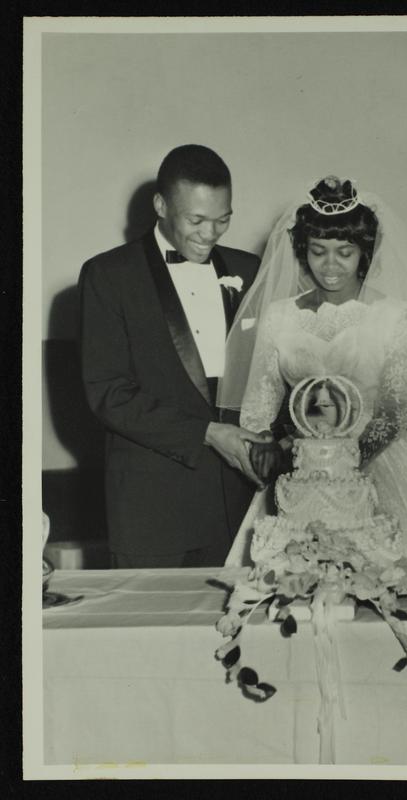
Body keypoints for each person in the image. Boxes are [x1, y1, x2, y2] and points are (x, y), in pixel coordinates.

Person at [218, 176, 407, 566]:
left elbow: (393, 414)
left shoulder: (394, 316)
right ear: (302, 250)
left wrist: (340, 468)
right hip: (300, 469)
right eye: (318, 251)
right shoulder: (279, 317)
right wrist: (273, 452)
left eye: (344, 252)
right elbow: (259, 409)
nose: (330, 265)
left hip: (384, 460)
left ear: (364, 252)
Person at [79, 144, 269, 568]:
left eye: (223, 219)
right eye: (196, 220)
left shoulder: (250, 270)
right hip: (153, 512)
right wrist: (208, 433)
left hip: (240, 508)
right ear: (161, 206)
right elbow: (108, 393)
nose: (210, 234)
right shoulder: (108, 275)